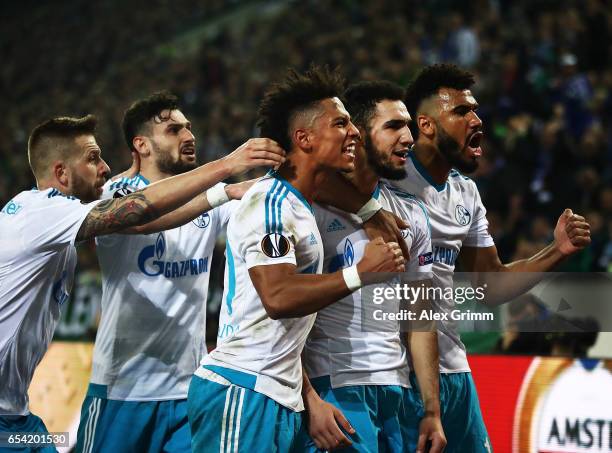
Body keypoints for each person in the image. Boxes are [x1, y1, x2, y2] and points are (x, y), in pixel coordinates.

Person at [329, 64, 591, 452]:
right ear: (427, 125)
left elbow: (490, 284)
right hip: (391, 373)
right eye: (462, 111)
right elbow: (319, 184)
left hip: (451, 368)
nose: (476, 119)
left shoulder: (465, 193)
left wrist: (557, 251)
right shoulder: (384, 174)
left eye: (475, 109)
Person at [0, 114, 284, 452]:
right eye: (93, 159)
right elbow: (135, 212)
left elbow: (143, 223)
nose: (104, 168)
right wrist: (226, 166)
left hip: (15, 417)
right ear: (61, 174)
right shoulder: (42, 214)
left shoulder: (42, 218)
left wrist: (222, 194)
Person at [187, 66, 405, 452]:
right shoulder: (271, 204)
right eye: (340, 123)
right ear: (303, 138)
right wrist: (360, 274)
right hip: (243, 387)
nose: (353, 132)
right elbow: (279, 297)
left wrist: (307, 397)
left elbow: (288, 330)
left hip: (278, 392)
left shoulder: (298, 205)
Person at [75, 92, 268, 453]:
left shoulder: (213, 193)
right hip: (122, 388)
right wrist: (225, 182)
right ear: (142, 145)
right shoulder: (112, 193)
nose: (189, 136)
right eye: (174, 129)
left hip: (188, 390)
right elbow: (144, 220)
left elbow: (259, 206)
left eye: (189, 127)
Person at [297, 81, 446, 453]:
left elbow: (419, 316)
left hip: (397, 391)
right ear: (358, 135)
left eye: (409, 126)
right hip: (334, 387)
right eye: (394, 126)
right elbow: (281, 314)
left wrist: (431, 409)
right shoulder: (306, 207)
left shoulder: (411, 214)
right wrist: (309, 398)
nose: (409, 138)